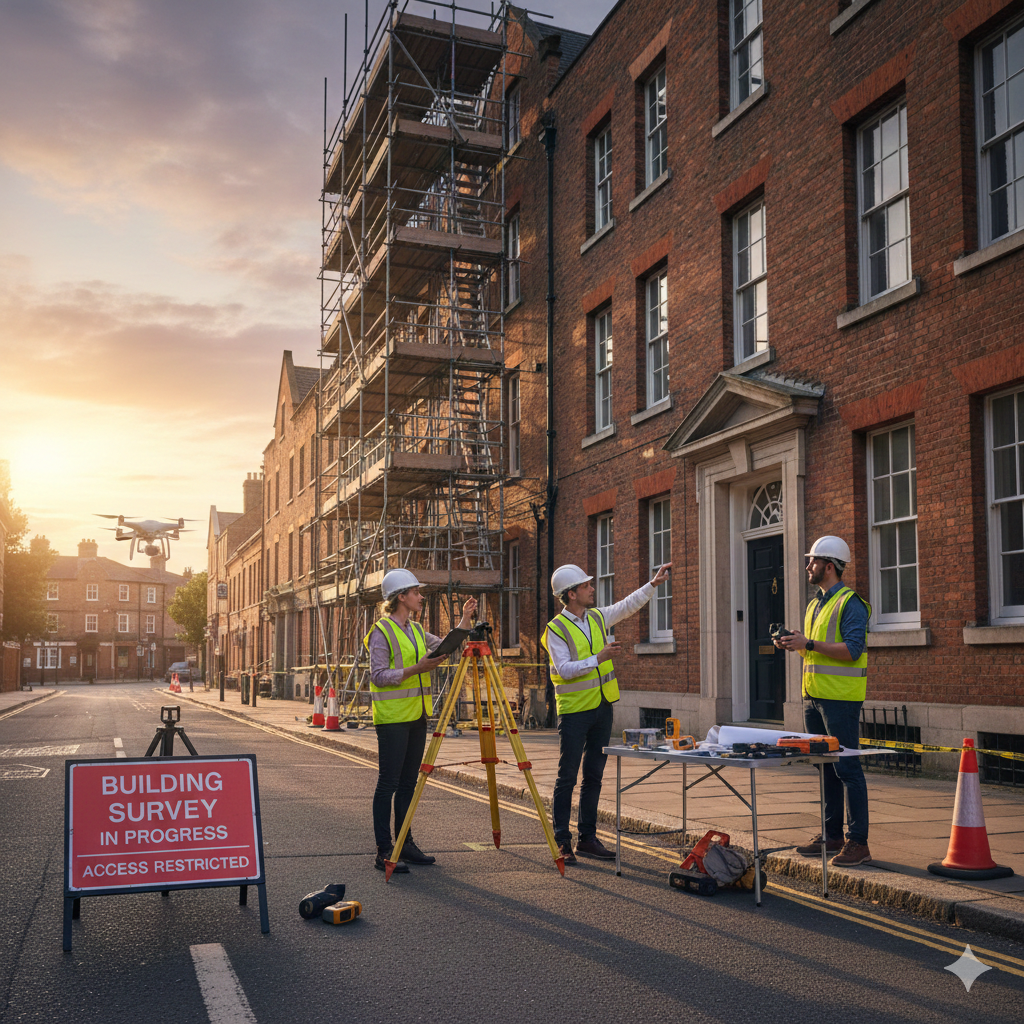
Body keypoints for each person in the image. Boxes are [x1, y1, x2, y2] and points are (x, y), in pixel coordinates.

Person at [541, 560, 672, 864]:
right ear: (571, 594)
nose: (591, 588)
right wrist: (598, 658)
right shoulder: (555, 630)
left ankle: (588, 838)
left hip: (603, 707)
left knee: (595, 776)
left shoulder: (597, 617)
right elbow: (563, 669)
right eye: (586, 585)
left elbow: (627, 606)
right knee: (567, 778)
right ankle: (562, 840)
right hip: (574, 712)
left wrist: (652, 585)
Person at [364, 569, 477, 873]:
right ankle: (384, 850)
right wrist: (418, 668)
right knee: (388, 783)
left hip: (416, 715)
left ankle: (405, 843)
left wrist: (465, 622)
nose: (420, 596)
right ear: (401, 596)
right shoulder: (381, 632)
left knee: (408, 784)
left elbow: (444, 645)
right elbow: (377, 676)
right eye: (415, 592)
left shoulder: (415, 630)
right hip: (391, 719)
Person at [774, 535, 872, 867]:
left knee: (848, 769)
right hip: (813, 697)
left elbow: (852, 650)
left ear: (828, 566)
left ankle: (858, 842)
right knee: (825, 768)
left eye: (812, 562)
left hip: (840, 701)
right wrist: (794, 643)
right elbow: (812, 648)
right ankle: (832, 836)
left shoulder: (850, 603)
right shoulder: (816, 603)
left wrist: (810, 644)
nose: (807, 567)